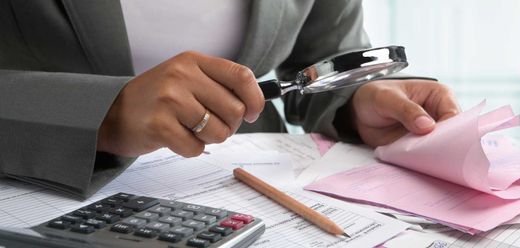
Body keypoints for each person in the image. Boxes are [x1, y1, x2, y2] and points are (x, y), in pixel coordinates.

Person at [0, 0, 459, 198]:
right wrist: (101, 113)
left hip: (251, 190)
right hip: (38, 190)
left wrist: (359, 100)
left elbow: (321, 57)